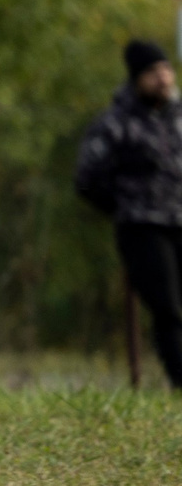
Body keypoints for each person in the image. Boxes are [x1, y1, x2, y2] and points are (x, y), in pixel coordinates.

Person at [76, 39, 182, 386]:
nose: (163, 78)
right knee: (168, 308)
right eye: (153, 72)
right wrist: (124, 207)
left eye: (165, 69)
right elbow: (87, 177)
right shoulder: (115, 124)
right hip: (143, 226)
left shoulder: (179, 119)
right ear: (136, 78)